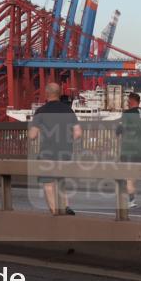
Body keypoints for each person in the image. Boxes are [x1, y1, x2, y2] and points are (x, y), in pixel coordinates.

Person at [28, 82, 80, 216]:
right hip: (65, 152)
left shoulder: (41, 111)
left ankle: (55, 212)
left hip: (47, 153)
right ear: (59, 93)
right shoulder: (68, 110)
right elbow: (78, 133)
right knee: (60, 179)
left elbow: (32, 135)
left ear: (46, 94)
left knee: (48, 183)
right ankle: (66, 206)